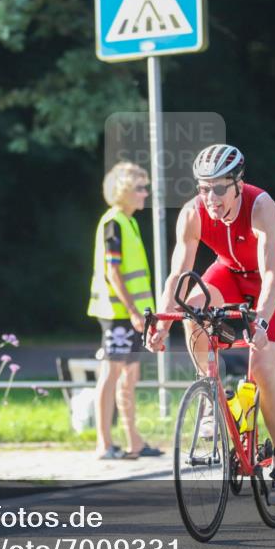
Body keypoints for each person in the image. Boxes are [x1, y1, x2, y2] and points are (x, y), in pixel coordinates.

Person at [146, 144, 275, 503]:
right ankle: (212, 391)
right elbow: (177, 277)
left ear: (237, 185)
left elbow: (272, 274)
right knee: (189, 301)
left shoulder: (262, 207)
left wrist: (259, 322)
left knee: (261, 369)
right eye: (202, 187)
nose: (210, 197)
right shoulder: (192, 214)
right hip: (228, 273)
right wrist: (162, 326)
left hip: (269, 280)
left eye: (218, 188)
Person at [87, 162, 164, 460]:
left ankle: (134, 441)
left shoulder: (128, 222)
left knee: (130, 375)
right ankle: (104, 443)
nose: (145, 194)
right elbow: (113, 273)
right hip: (117, 312)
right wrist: (133, 311)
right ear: (123, 192)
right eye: (139, 189)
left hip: (131, 313)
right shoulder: (113, 222)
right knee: (112, 372)